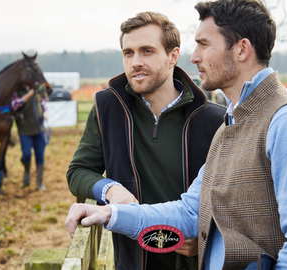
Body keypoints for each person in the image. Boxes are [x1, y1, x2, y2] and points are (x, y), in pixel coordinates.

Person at [65, 1, 287, 270]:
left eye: (204, 45)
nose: (194, 56)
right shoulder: (229, 126)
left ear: (241, 49)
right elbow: (190, 212)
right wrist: (110, 214)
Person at [66, 11, 225, 270]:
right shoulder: (107, 107)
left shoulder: (213, 120)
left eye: (147, 51)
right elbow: (77, 172)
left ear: (173, 56)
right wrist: (109, 188)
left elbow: (231, 199)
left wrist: (208, 239)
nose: (135, 62)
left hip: (191, 261)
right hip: (132, 261)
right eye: (128, 53)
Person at [12, 85, 48, 191]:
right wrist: (28, 95)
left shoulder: (37, 88)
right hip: (25, 130)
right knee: (26, 154)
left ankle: (39, 183)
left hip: (39, 129)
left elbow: (42, 101)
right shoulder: (17, 91)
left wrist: (45, 112)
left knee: (40, 156)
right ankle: (27, 170)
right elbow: (13, 105)